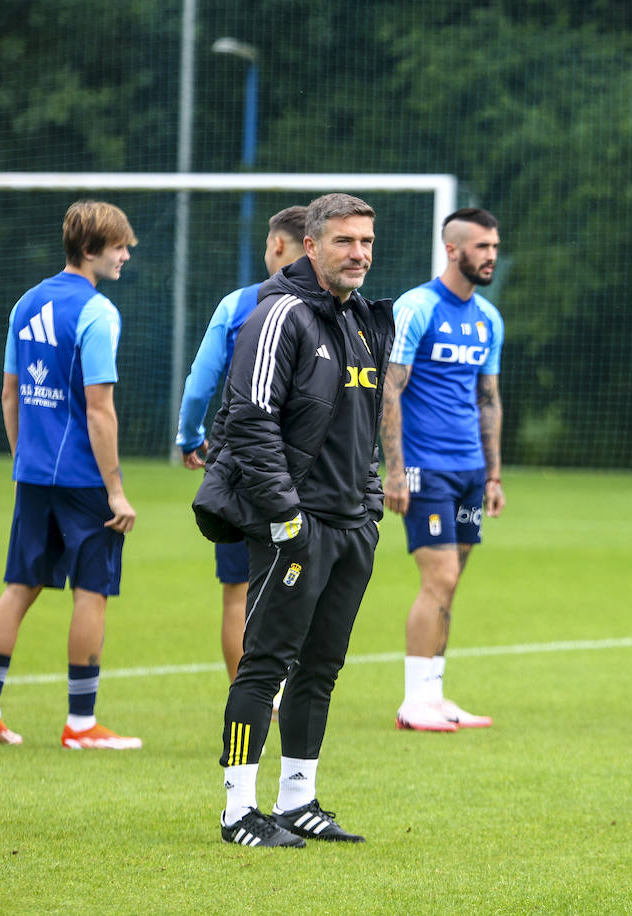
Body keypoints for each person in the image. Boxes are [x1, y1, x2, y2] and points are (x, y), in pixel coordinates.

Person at [192, 193, 393, 847]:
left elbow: (360, 431)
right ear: (311, 246)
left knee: (322, 666)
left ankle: (298, 800)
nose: (359, 253)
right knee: (265, 664)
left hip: (351, 524)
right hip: (295, 525)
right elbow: (249, 423)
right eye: (344, 241)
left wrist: (368, 511)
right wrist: (285, 519)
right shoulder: (279, 313)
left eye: (366, 241)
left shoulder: (362, 319)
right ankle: (238, 811)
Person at [0, 200, 142, 750]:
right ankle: (82, 726)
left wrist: (25, 461)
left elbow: (10, 392)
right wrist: (116, 490)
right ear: (90, 250)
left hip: (36, 476)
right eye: (119, 246)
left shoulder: (26, 301)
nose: (126, 255)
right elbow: (99, 410)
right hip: (84, 482)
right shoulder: (98, 313)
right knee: (91, 593)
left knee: (19, 588)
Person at [383, 207, 505, 732]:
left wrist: (494, 475)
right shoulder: (417, 307)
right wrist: (393, 468)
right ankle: (413, 703)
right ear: (452, 249)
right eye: (481, 247)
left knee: (451, 585)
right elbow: (390, 387)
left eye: (495, 247)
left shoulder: (489, 318)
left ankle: (434, 695)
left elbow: (489, 399)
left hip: (470, 470)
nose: (491, 256)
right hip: (424, 466)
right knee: (441, 577)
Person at [177, 205, 307, 682]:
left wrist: (190, 438)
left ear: (277, 244)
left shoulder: (239, 304)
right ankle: (293, 691)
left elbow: (199, 385)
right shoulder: (332, 307)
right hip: (307, 469)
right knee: (302, 582)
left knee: (238, 590)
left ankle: (249, 694)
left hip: (244, 466)